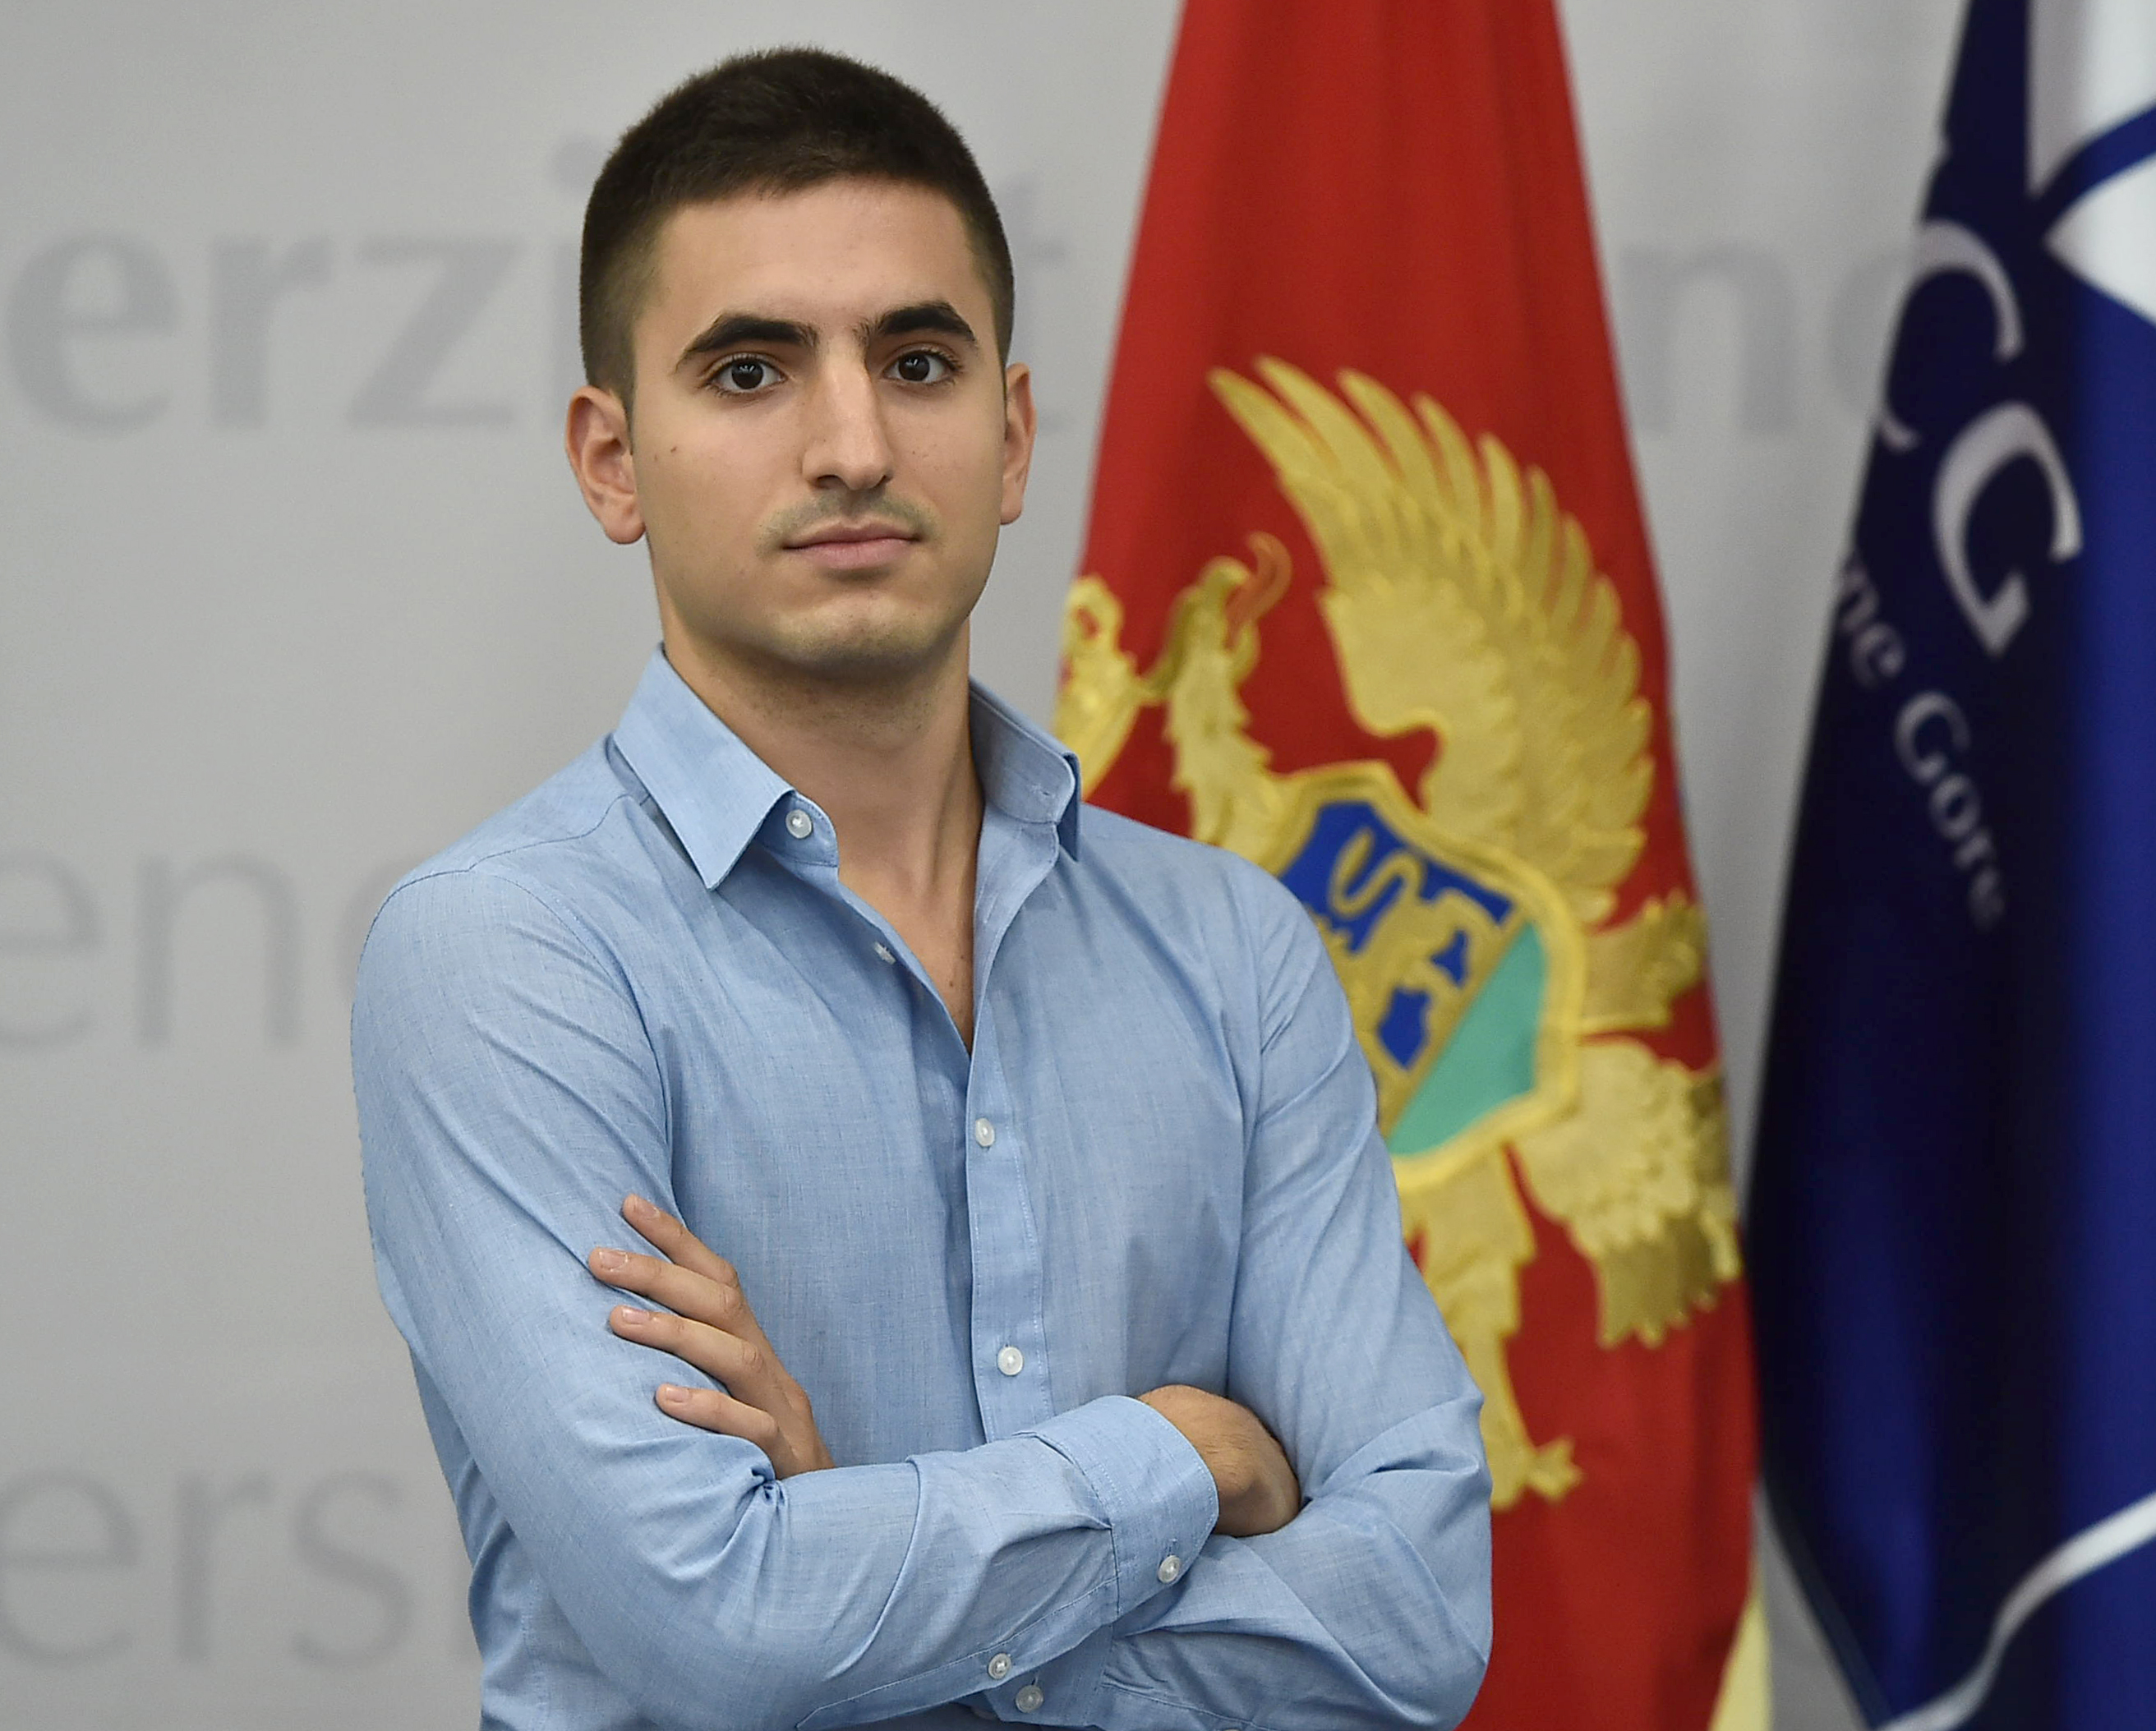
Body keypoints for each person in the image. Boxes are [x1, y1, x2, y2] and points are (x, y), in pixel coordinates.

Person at [351, 47, 1491, 1731]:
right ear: (611, 460)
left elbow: (1420, 1616)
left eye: (918, 360)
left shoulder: (1235, 950)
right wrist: (1182, 1454)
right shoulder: (508, 954)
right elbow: (723, 1627)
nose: (854, 442)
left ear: (1011, 436)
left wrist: (855, 1548)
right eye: (751, 370)